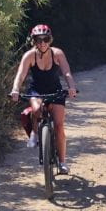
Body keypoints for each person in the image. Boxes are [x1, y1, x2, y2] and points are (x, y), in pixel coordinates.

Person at [9, 24, 78, 174]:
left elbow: (66, 73)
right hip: (36, 90)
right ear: (33, 41)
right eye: (38, 40)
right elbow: (21, 74)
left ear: (50, 40)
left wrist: (71, 87)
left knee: (59, 125)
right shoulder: (29, 55)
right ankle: (35, 132)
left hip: (55, 91)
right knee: (36, 109)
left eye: (45, 39)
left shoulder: (57, 53)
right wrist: (15, 89)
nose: (42, 43)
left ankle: (62, 162)